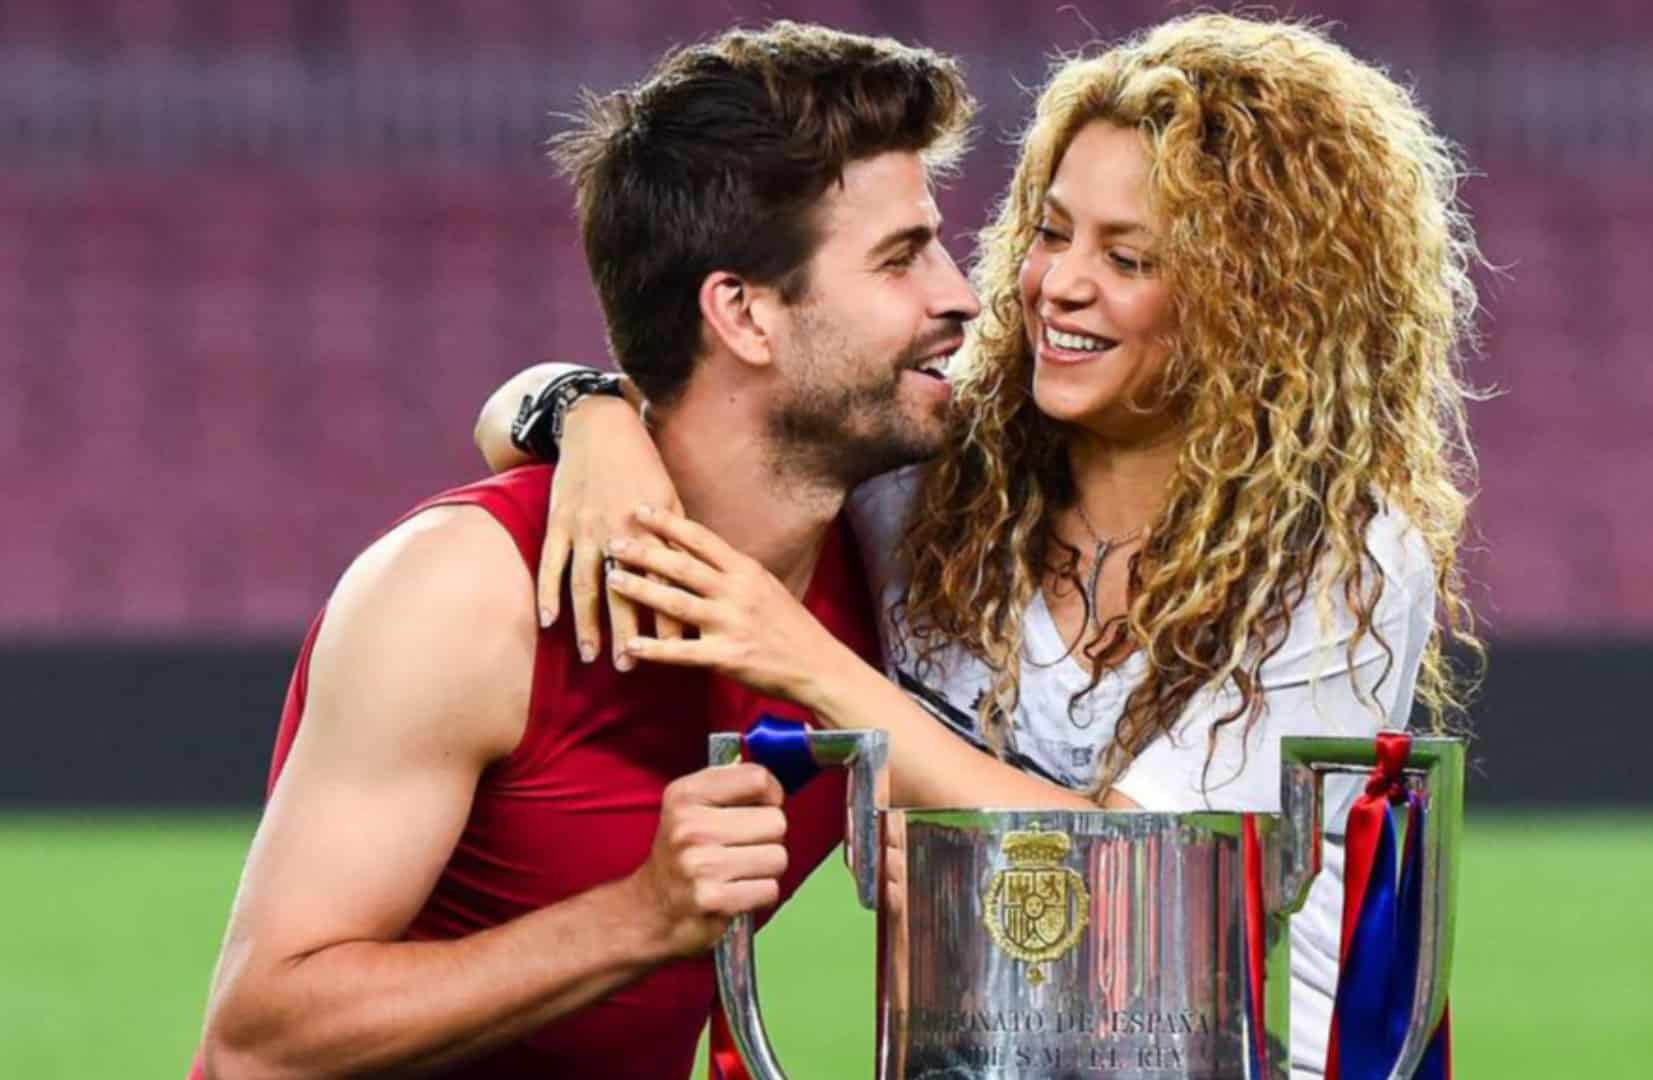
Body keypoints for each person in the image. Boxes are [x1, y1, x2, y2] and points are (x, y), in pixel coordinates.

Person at [481, 14, 1483, 1075]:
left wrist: (805, 664)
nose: (1058, 284)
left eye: (1127, 256)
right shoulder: (936, 471)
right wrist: (588, 415)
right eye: (1052, 231)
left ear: (1258, 306)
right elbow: (660, 412)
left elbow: (1147, 905)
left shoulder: (1337, 554)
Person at [189, 23, 978, 1079]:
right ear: (742, 313)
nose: (958, 294)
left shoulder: (889, 566)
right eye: (899, 257)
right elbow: (256, 1039)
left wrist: (577, 402)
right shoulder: (467, 591)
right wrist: (640, 916)